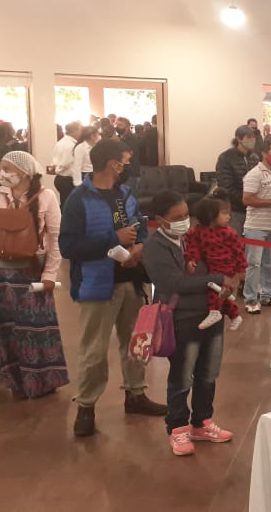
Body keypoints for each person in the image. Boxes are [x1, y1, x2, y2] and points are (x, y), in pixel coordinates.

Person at [60, 139, 165, 437]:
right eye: (125, 161)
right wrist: (113, 239)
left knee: (135, 343)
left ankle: (136, 393)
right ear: (112, 164)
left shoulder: (125, 194)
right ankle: (86, 406)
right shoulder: (79, 199)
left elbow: (140, 227)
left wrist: (139, 247)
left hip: (131, 281)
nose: (127, 166)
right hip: (97, 285)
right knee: (94, 349)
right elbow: (68, 246)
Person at [142, 191, 235, 457]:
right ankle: (178, 428)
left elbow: (215, 261)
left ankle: (202, 422)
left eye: (186, 215)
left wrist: (225, 280)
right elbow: (174, 284)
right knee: (182, 377)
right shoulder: (155, 247)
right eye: (177, 217)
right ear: (160, 219)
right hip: (181, 319)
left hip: (211, 312)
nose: (184, 221)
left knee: (209, 373)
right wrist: (218, 279)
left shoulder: (195, 236)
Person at [0, 151, 67, 398]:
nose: (2, 173)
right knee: (3, 328)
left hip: (30, 273)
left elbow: (56, 238)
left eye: (7, 169)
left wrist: (50, 273)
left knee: (35, 328)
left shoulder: (46, 197)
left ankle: (41, 381)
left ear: (24, 173)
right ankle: (14, 381)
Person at [184, 190, 246, 330]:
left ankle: (214, 312)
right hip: (210, 266)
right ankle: (234, 315)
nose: (229, 216)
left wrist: (241, 269)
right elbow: (193, 247)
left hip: (225, 266)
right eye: (224, 213)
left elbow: (239, 252)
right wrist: (192, 259)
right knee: (222, 293)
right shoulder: (197, 231)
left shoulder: (229, 233)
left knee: (215, 290)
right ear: (210, 215)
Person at [241, 138, 271, 314]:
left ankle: (267, 295)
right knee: (254, 263)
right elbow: (247, 199)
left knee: (269, 262)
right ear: (264, 154)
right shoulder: (254, 174)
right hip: (256, 226)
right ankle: (251, 299)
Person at [215, 125, 260, 236]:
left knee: (252, 242)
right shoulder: (226, 158)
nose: (252, 140)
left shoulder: (254, 158)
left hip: (253, 210)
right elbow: (226, 185)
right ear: (239, 139)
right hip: (235, 209)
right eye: (248, 137)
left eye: (253, 137)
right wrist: (244, 200)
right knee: (235, 239)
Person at [52, 121, 81, 205]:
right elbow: (66, 162)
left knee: (65, 202)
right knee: (70, 204)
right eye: (81, 130)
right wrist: (58, 170)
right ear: (75, 131)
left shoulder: (61, 142)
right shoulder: (70, 145)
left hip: (61, 178)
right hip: (67, 180)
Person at [114, 117, 141, 192]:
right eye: (116, 125)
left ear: (127, 127)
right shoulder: (119, 137)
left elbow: (130, 153)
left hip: (131, 173)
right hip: (121, 173)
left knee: (130, 196)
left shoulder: (132, 138)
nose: (117, 127)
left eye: (120, 125)